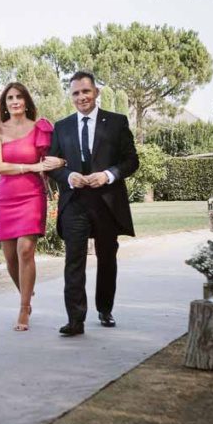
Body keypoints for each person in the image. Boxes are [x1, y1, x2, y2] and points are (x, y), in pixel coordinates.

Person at [44, 71, 139, 337]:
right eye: (75, 93)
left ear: (96, 92)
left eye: (86, 91)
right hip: (74, 202)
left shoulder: (117, 122)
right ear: (71, 97)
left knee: (107, 258)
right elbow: (52, 165)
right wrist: (68, 176)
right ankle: (75, 320)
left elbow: (131, 161)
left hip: (107, 202)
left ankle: (105, 308)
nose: (81, 97)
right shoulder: (61, 127)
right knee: (74, 261)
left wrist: (107, 175)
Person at [0, 83, 64, 331]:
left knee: (25, 250)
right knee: (9, 257)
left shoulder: (40, 128)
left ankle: (23, 310)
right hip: (6, 197)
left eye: (19, 96)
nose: (15, 101)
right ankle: (26, 294)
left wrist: (61, 162)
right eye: (10, 97)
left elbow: (54, 158)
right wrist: (29, 167)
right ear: (5, 103)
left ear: (26, 101)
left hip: (32, 194)